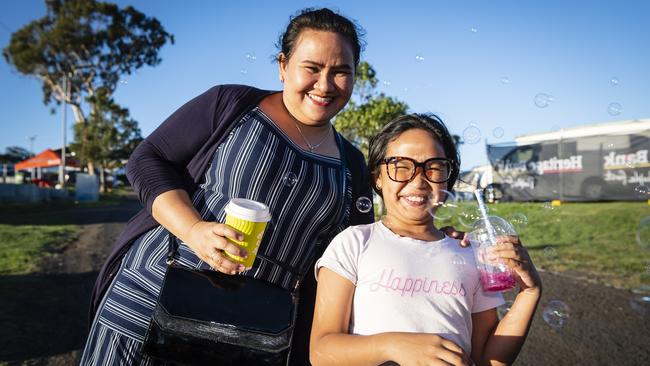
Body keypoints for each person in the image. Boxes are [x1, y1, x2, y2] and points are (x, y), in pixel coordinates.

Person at [82, 8, 374, 365]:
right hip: (151, 300)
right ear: (283, 66)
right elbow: (148, 159)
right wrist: (194, 229)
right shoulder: (231, 105)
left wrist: (436, 240)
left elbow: (362, 253)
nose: (325, 85)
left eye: (341, 72)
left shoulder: (352, 164)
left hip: (252, 335)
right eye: (311, 68)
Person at [310, 114, 542, 366]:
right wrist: (393, 345)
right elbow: (322, 352)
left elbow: (488, 360)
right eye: (401, 166)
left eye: (434, 167)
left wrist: (529, 292)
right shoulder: (353, 243)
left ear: (448, 178)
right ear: (377, 176)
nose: (419, 181)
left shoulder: (471, 253)